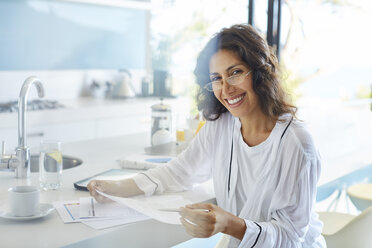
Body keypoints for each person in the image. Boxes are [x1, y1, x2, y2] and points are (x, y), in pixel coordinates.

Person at [88, 24, 326, 247]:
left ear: (260, 73)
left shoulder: (296, 143)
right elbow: (180, 171)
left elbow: (289, 237)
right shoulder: (221, 124)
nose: (226, 88)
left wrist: (229, 224)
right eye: (216, 79)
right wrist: (117, 188)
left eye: (235, 72)